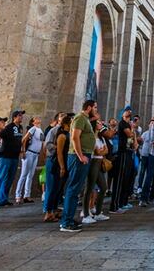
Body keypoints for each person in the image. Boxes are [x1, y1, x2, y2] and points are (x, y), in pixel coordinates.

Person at [60, 99, 97, 233]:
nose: (96, 110)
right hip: (77, 157)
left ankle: (69, 218)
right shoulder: (80, 118)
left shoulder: (85, 118)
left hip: (83, 155)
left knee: (76, 189)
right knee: (73, 189)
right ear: (89, 107)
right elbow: (75, 137)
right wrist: (80, 155)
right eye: (95, 107)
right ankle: (66, 222)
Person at [82, 115, 112, 223]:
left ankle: (98, 213)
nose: (101, 124)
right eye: (99, 123)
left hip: (100, 163)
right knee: (89, 188)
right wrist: (101, 151)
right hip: (93, 162)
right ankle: (85, 214)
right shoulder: (92, 137)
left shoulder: (101, 137)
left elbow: (106, 150)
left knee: (103, 187)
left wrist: (101, 151)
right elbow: (97, 152)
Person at [0, 110, 24, 208]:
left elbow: (19, 140)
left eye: (21, 115)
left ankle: (3, 199)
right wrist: (0, 147)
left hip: (14, 157)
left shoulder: (20, 128)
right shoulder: (9, 127)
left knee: (9, 179)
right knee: (1, 178)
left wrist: (21, 150)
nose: (21, 117)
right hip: (5, 156)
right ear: (14, 117)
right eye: (19, 115)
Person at [44, 114, 71, 222]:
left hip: (62, 161)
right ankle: (48, 211)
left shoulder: (67, 133)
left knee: (57, 188)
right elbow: (48, 144)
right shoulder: (56, 132)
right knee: (52, 187)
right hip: (54, 160)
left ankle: (54, 209)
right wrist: (59, 147)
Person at [109, 106, 135, 213]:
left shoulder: (128, 124)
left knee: (126, 179)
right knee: (119, 179)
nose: (128, 113)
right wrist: (132, 129)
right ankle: (114, 206)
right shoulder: (122, 123)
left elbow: (133, 140)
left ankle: (122, 202)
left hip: (128, 153)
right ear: (123, 114)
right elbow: (130, 134)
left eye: (129, 112)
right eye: (126, 112)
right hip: (122, 153)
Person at [16, 116, 43, 204]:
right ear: (33, 122)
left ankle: (27, 195)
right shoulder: (33, 128)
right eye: (36, 118)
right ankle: (18, 195)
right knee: (24, 174)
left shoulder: (40, 130)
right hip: (29, 153)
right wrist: (23, 151)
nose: (38, 118)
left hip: (36, 154)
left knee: (30, 175)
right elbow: (24, 139)